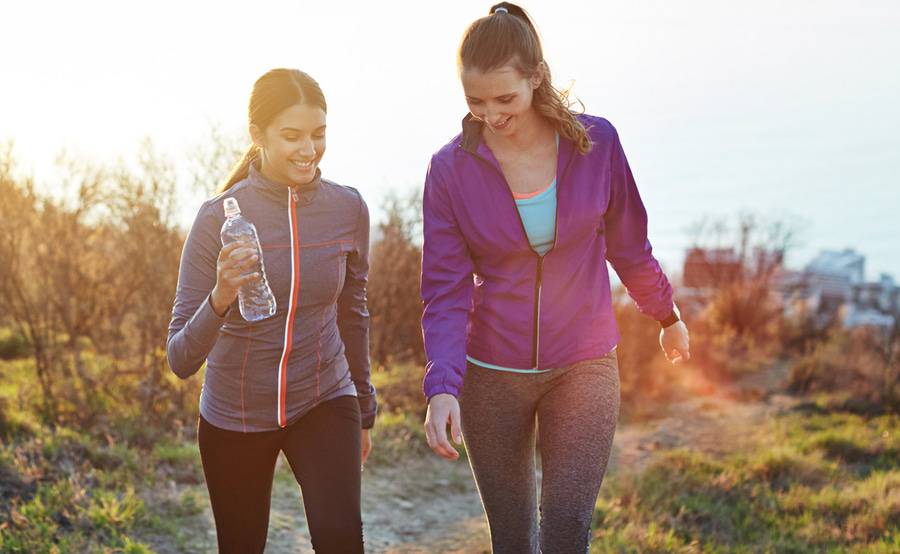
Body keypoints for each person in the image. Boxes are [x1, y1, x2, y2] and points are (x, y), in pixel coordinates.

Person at [420, 4, 691, 552]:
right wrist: (442, 387)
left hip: (584, 363)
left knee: (568, 531)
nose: (491, 115)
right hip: (491, 371)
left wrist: (667, 315)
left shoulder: (596, 145)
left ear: (535, 78)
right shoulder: (450, 169)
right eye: (475, 102)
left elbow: (629, 245)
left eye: (505, 99)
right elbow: (445, 291)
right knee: (514, 540)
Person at [166, 68, 376, 554]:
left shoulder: (347, 209)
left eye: (319, 134)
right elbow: (180, 358)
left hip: (325, 398)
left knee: (343, 541)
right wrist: (220, 296)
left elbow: (354, 312)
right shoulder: (217, 218)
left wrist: (364, 409)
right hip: (235, 414)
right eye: (292, 136)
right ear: (257, 135)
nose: (309, 149)